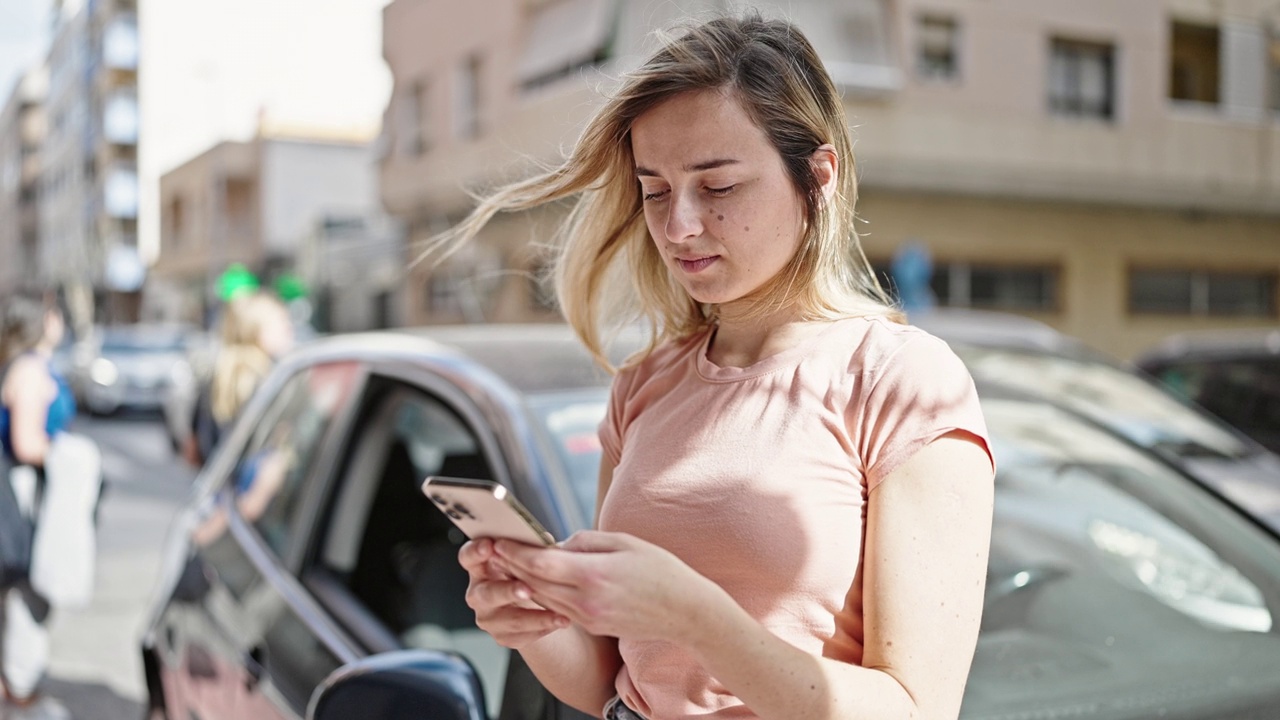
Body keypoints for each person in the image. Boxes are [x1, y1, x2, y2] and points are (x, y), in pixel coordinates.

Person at [448, 13, 997, 720]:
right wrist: (535, 622)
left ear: (817, 177)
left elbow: (917, 709)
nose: (678, 226)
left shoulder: (902, 381)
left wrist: (695, 616)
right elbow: (613, 678)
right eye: (654, 191)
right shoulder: (644, 384)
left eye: (718, 187)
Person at [0, 291, 77, 720]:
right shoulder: (30, 370)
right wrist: (74, 455)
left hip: (15, 492)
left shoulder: (23, 364)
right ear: (42, 319)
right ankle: (18, 694)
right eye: (55, 311)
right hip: (21, 495)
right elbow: (28, 443)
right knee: (25, 594)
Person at [186, 291, 295, 467]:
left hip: (220, 487)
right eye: (281, 321)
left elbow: (192, 450)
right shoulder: (269, 381)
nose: (289, 328)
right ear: (257, 330)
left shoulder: (215, 376)